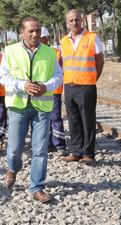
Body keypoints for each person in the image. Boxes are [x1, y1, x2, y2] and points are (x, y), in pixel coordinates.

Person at [0, 17, 63, 203]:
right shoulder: (10, 51)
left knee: (40, 150)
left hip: (41, 108)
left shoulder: (50, 53)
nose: (35, 34)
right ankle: (12, 168)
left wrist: (46, 86)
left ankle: (37, 187)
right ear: (22, 32)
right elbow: (3, 76)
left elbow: (58, 76)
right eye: (31, 31)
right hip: (18, 107)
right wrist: (22, 85)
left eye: (38, 30)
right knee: (14, 149)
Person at [60, 9, 105, 165]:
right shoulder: (63, 41)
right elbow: (61, 63)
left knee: (88, 120)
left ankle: (88, 153)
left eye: (77, 19)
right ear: (67, 23)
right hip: (69, 85)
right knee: (73, 120)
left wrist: (93, 78)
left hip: (86, 86)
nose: (74, 23)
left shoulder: (92, 38)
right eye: (71, 20)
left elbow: (100, 61)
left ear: (82, 21)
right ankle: (76, 151)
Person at [41, 27, 67, 155]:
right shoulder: (35, 52)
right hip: (40, 91)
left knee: (55, 117)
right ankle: (47, 143)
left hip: (54, 90)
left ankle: (59, 144)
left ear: (47, 39)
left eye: (42, 39)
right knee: (42, 118)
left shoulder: (56, 52)